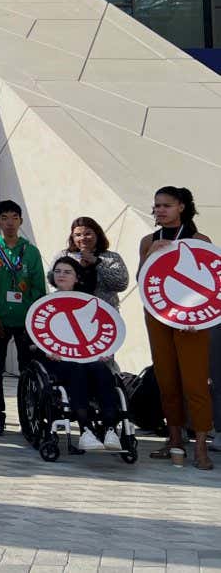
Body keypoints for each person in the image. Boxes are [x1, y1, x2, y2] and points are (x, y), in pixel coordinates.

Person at [138, 186, 212, 469]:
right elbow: (141, 279)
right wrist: (149, 255)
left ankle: (201, 445)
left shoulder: (199, 240)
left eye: (166, 205)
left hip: (192, 320)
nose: (160, 210)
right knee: (166, 381)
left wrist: (200, 318)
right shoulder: (149, 240)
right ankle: (174, 440)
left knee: (195, 383)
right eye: (156, 205)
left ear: (181, 206)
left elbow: (213, 282)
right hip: (158, 315)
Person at [43, 258, 125, 451]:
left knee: (101, 370)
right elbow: (37, 335)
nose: (61, 275)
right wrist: (48, 351)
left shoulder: (88, 303)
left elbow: (101, 332)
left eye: (67, 272)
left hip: (87, 357)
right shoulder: (44, 303)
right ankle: (86, 429)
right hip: (59, 360)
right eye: (58, 271)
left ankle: (110, 429)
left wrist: (104, 351)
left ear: (77, 277)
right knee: (76, 370)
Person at [0, 199, 45, 437]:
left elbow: (39, 288)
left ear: (21, 221)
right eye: (4, 218)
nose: (9, 223)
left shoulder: (31, 252)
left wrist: (32, 319)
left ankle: (29, 417)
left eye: (14, 218)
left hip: (25, 321)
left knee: (29, 370)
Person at [52, 217, 129, 309]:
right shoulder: (63, 256)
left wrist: (96, 262)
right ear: (72, 237)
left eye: (87, 234)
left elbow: (121, 284)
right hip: (70, 310)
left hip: (104, 312)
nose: (83, 238)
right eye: (78, 235)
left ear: (97, 234)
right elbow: (52, 281)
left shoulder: (112, 257)